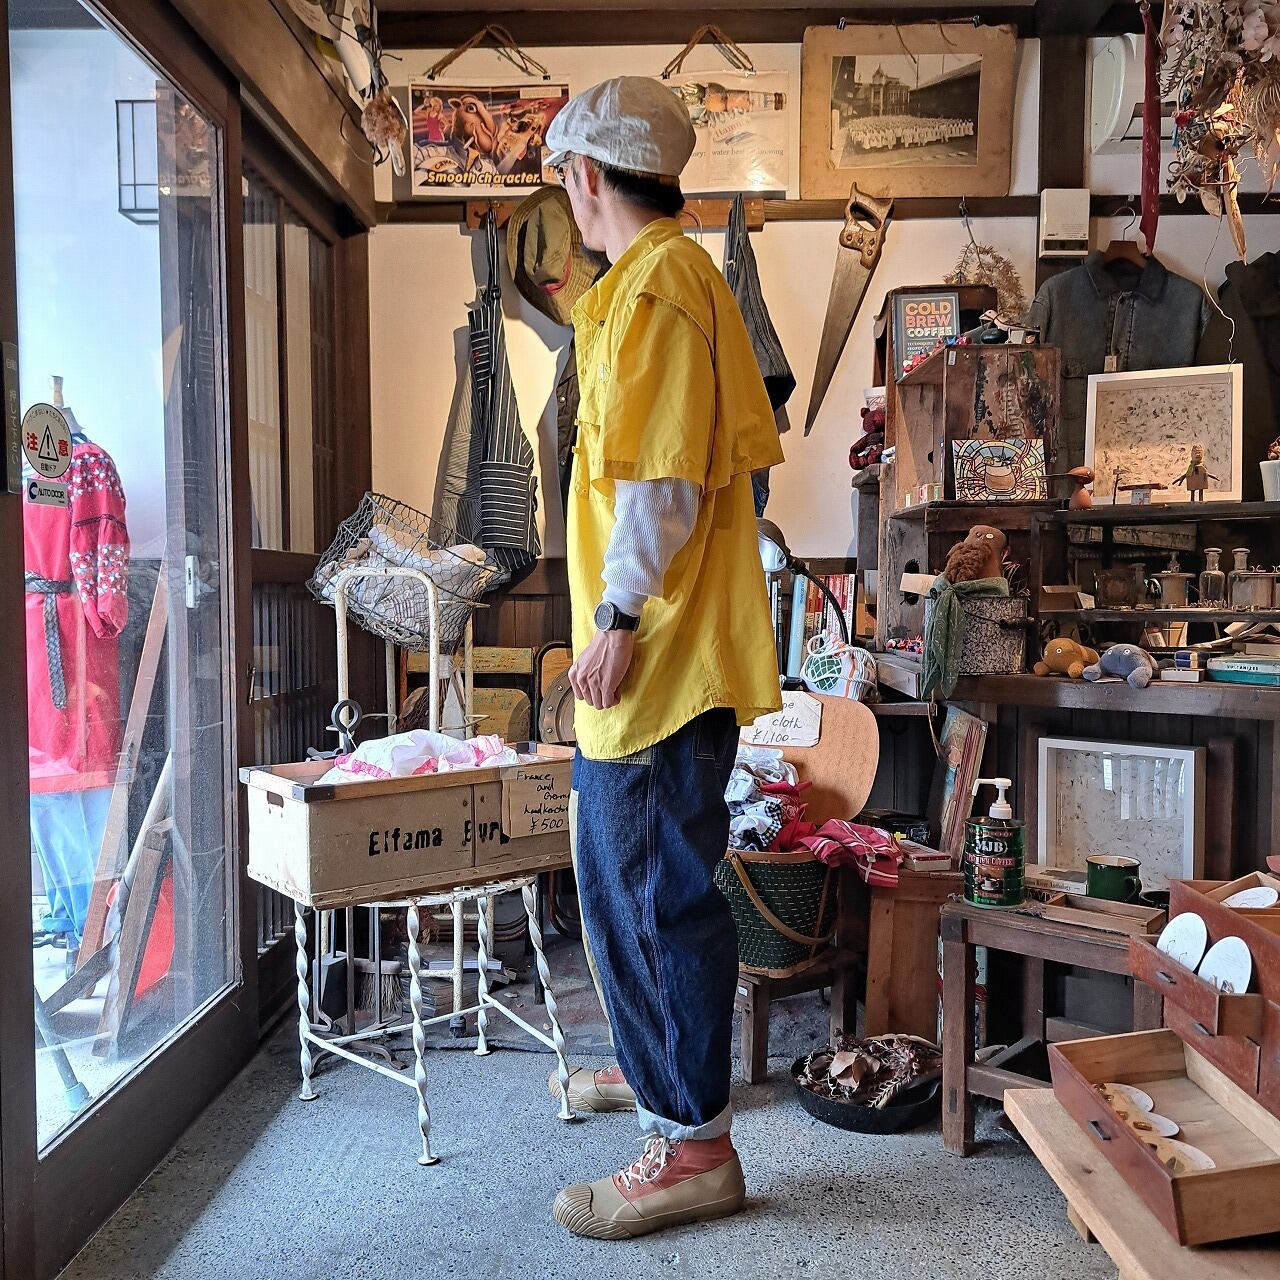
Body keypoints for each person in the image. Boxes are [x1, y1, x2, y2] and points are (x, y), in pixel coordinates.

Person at [541, 76, 783, 1240]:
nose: (565, 198)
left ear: (587, 175)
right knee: (633, 883)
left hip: (656, 654)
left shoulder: (657, 286)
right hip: (660, 649)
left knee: (648, 895)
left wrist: (617, 616)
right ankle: (658, 1077)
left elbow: (661, 480)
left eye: (564, 179)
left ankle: (691, 1144)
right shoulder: (657, 281)